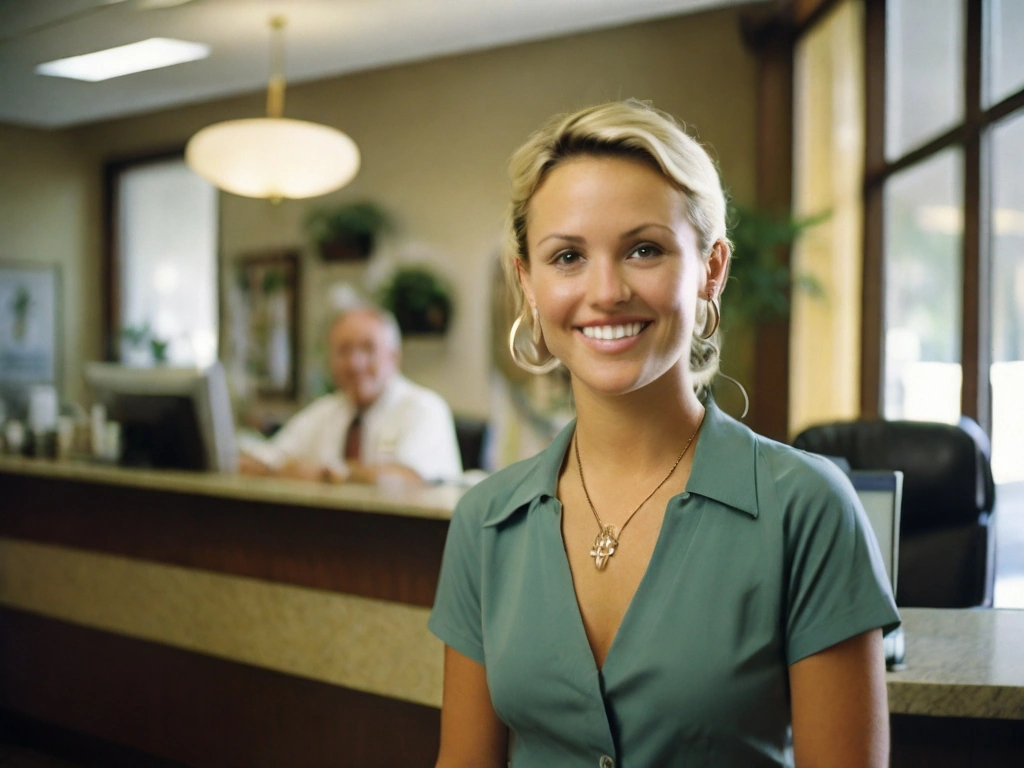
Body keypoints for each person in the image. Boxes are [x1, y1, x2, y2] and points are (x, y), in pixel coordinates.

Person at [428, 100, 900, 767]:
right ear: (526, 282)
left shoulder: (808, 508)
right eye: (567, 256)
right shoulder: (483, 521)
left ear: (711, 268)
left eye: (644, 249)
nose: (606, 291)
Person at [238, 305, 462, 485]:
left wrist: (331, 473)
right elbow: (267, 458)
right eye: (344, 351)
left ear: (394, 356)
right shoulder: (327, 410)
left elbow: (412, 479)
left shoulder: (425, 408)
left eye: (367, 349)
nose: (355, 364)